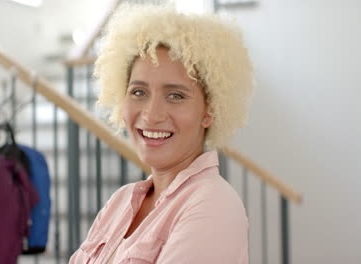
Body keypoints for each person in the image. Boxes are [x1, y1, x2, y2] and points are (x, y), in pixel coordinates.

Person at [70, 3, 254, 263]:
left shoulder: (213, 205)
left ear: (209, 111)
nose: (151, 114)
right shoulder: (120, 202)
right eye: (138, 92)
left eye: (175, 95)